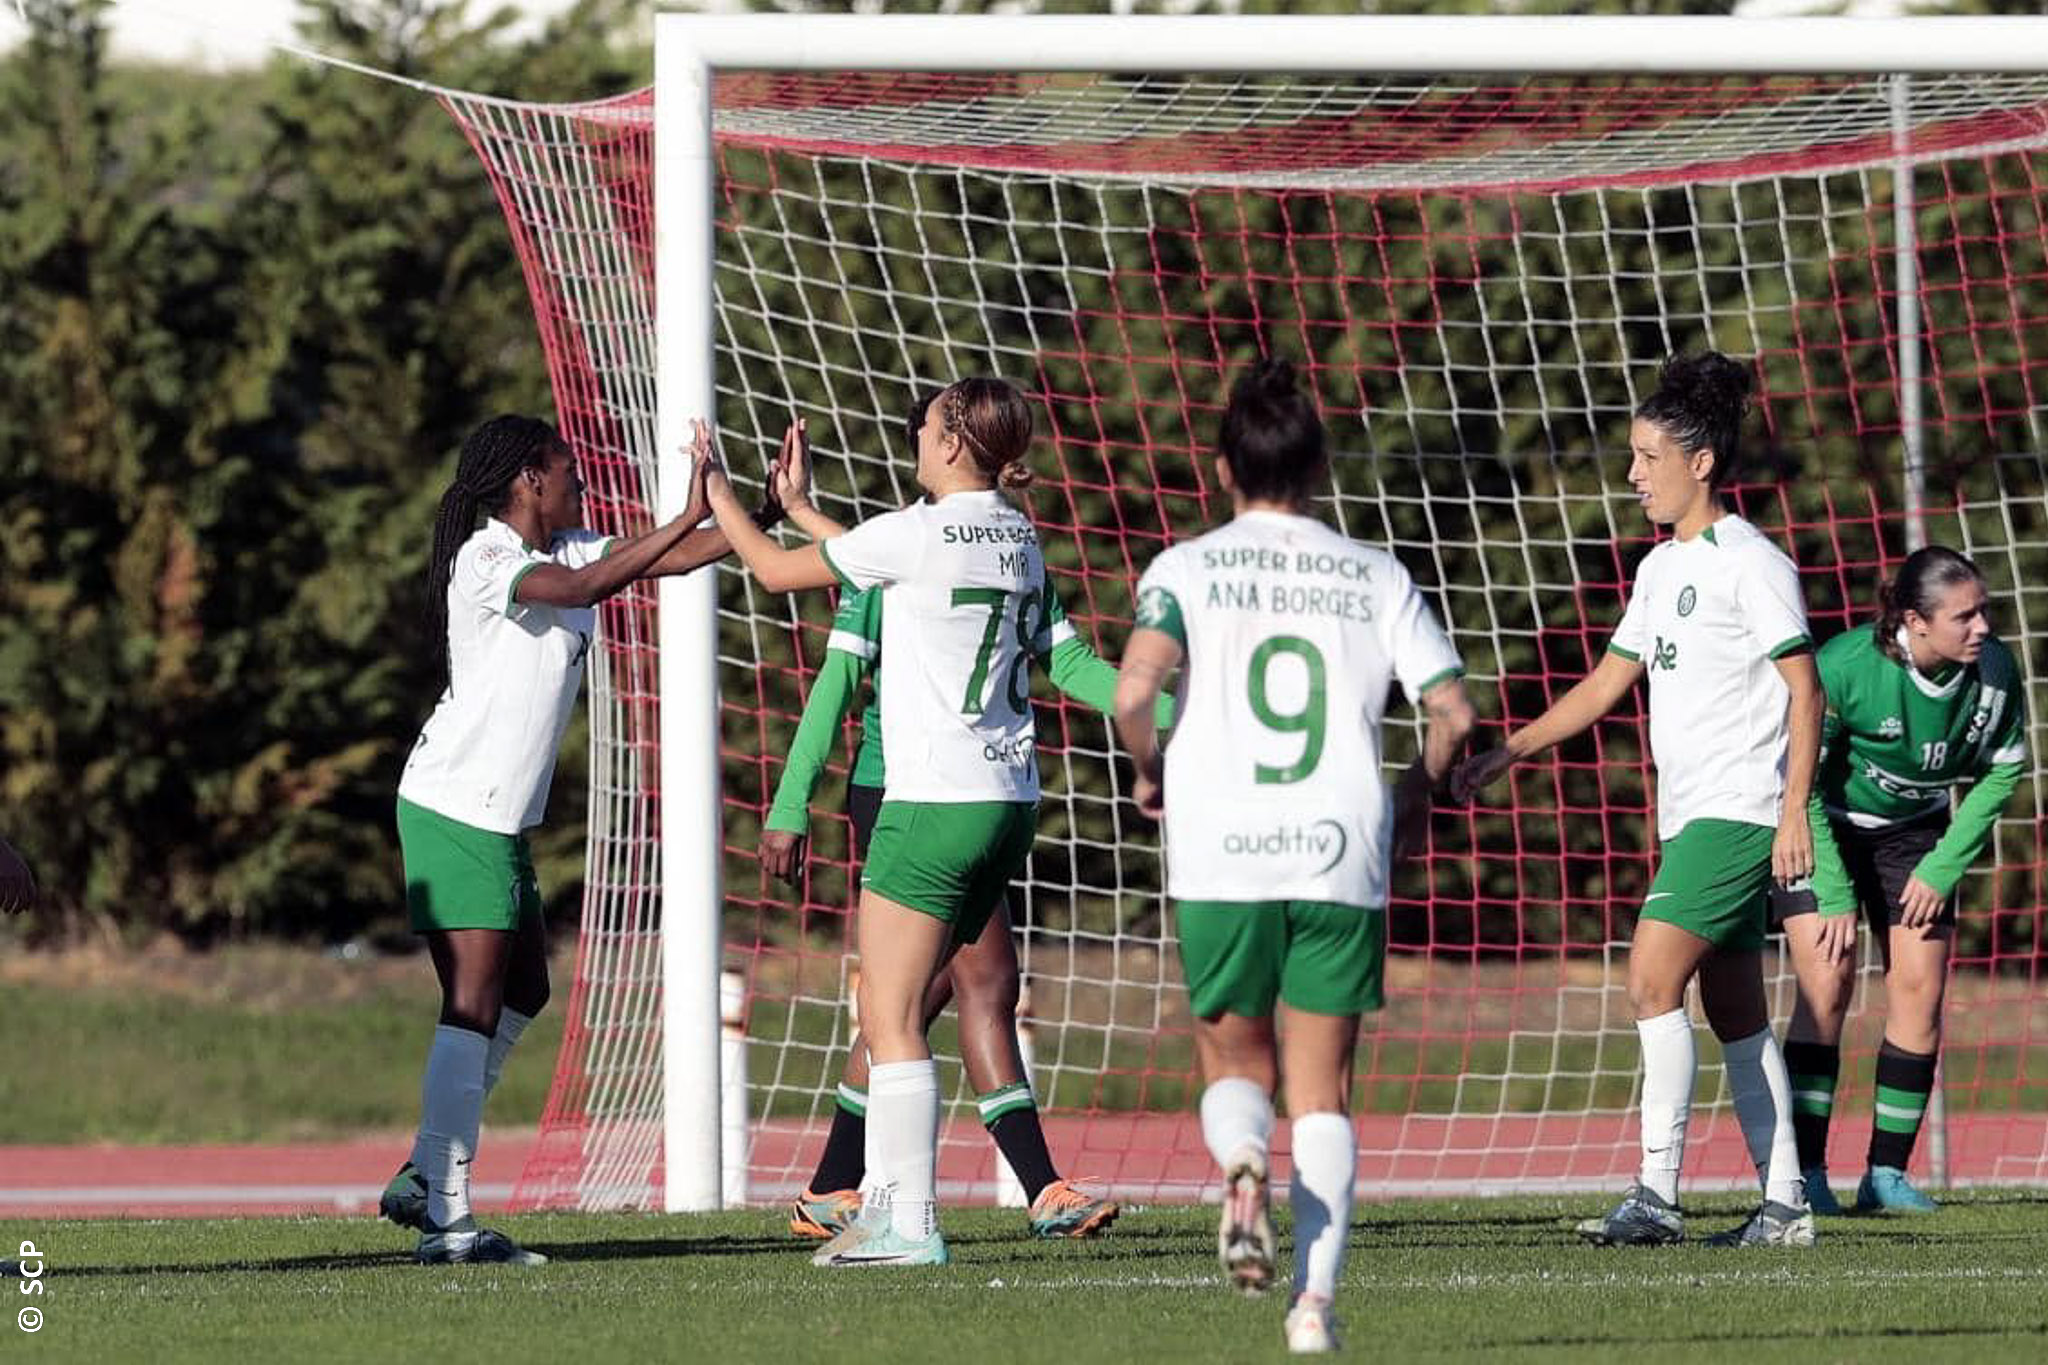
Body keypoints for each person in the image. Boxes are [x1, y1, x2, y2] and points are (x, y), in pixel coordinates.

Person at [1114, 357, 1476, 1355]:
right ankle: (1311, 1310)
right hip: (1336, 844)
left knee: (1232, 1054)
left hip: (1221, 843)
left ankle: (1239, 1166)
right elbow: (1450, 712)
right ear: (1315, 468)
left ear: (1224, 469)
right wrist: (1416, 796)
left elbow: (1133, 695)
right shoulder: (1373, 574)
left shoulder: (1183, 569)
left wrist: (1152, 772)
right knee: (1322, 1090)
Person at [380, 414, 776, 1265]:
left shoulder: (567, 544)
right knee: (474, 1005)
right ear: (528, 477)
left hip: (493, 815)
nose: (580, 483)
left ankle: (423, 1171)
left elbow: (664, 557)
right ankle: (447, 1221)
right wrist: (682, 512)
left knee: (524, 991)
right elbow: (585, 589)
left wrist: (762, 514)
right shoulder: (487, 554)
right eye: (567, 470)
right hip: (456, 805)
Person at [1452, 352, 1825, 1250]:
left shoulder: (1752, 563)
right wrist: (1510, 748)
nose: (1632, 474)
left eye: (1647, 457)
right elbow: (1604, 685)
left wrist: (1790, 814)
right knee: (1736, 1012)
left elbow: (1807, 692)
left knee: (1651, 974)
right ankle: (1785, 1207)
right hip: (1692, 816)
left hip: (1737, 812)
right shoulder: (1661, 569)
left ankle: (1656, 1192)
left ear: (1701, 463)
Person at [768, 398, 1149, 1242]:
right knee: (937, 993)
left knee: (969, 985)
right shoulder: (931, 546)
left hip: (947, 794)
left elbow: (907, 570)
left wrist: (787, 511)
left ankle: (852, 1187)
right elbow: (836, 681)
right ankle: (927, 1194)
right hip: (905, 791)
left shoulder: (929, 544)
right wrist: (793, 803)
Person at [703, 377, 1052, 1268]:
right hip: (1011, 798)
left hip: (927, 798)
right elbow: (884, 561)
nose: (918, 438)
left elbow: (777, 572)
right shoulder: (1016, 532)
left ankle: (908, 1221)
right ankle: (882, 1202)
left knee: (889, 1015)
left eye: (927, 426)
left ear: (946, 444)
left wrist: (722, 500)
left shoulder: (918, 530)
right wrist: (806, 509)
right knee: (937, 1000)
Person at [1778, 546, 2026, 1215]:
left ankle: (1884, 1175)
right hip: (1819, 825)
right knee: (1826, 982)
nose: (1982, 628)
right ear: (1914, 621)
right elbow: (1796, 781)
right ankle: (1802, 1176)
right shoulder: (1844, 667)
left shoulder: (1995, 671)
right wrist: (1830, 892)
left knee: (1920, 987)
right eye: (1964, 616)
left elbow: (2003, 769)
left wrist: (1942, 863)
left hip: (1915, 835)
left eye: (1984, 613)